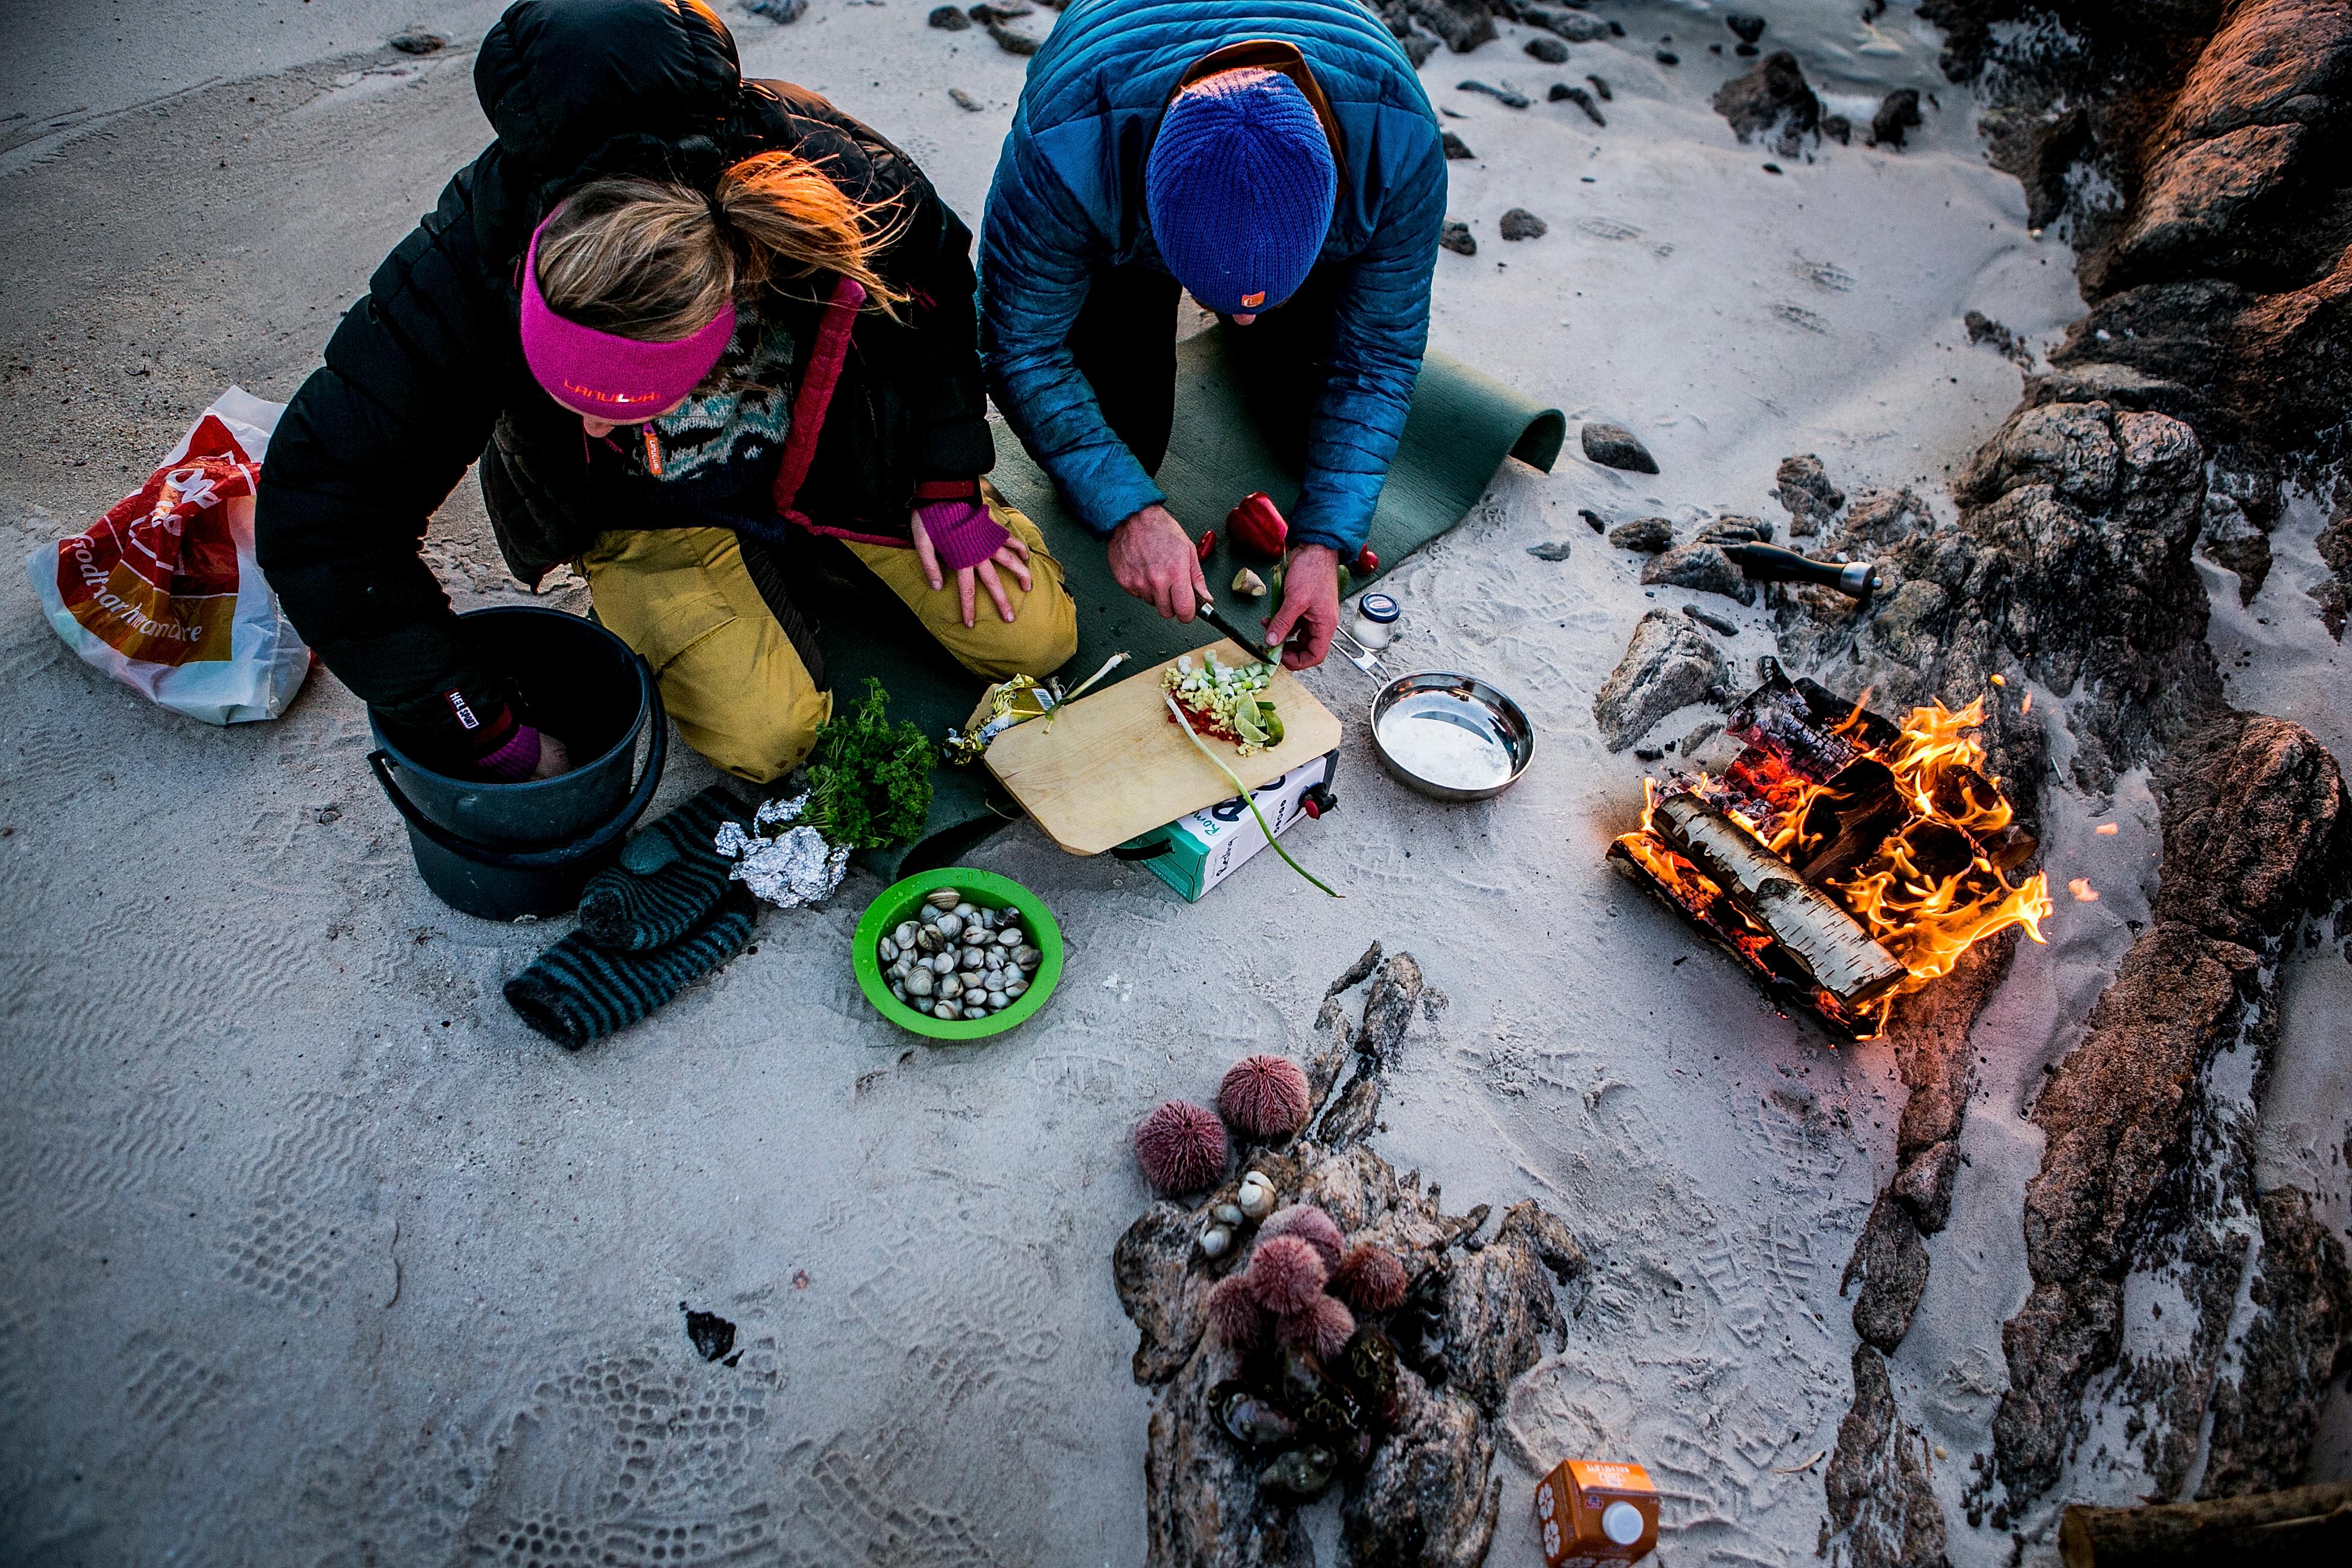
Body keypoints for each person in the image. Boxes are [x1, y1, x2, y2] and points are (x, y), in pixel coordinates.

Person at [256, 0, 1075, 785]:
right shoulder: (464, 266)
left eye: (619, 406)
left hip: (835, 461)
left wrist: (947, 486)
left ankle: (810, 550)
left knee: (1038, 640)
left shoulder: (831, 174)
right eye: (567, 394)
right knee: (768, 738)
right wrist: (476, 724)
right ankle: (691, 588)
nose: (582, 422)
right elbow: (323, 517)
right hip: (650, 515)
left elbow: (930, 296)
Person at [978, 0, 1445, 671]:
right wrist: (1129, 513)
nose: (1244, 320)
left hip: (1307, 169)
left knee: (1309, 435)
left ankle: (1251, 276)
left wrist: (1324, 544)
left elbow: (1380, 356)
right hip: (1115, 148)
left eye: (1257, 303)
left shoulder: (1397, 136)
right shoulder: (1065, 148)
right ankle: (1196, 278)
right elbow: (1016, 344)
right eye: (1222, 300)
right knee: (1118, 450)